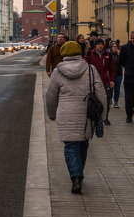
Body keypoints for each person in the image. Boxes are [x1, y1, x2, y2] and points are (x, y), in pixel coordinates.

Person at [45, 41, 108, 195]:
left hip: (66, 114)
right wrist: (104, 115)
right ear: (80, 53)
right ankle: (79, 174)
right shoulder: (90, 69)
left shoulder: (58, 72)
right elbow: (101, 94)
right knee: (83, 144)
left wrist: (51, 113)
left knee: (71, 146)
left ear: (64, 54)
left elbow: (51, 96)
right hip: (87, 114)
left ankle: (76, 178)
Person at [85, 38, 114, 125]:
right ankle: (95, 116)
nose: (100, 46)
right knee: (94, 99)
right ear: (95, 45)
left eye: (102, 44)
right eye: (98, 44)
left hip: (105, 81)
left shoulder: (108, 55)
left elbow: (112, 68)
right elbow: (85, 67)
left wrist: (112, 80)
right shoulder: (90, 54)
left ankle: (105, 117)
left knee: (106, 99)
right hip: (93, 81)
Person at [109, 41, 123, 109]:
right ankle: (110, 99)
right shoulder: (109, 54)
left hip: (118, 74)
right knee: (110, 89)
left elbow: (123, 63)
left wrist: (120, 55)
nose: (115, 48)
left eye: (116, 46)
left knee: (117, 89)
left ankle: (116, 101)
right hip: (110, 74)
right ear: (111, 47)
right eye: (113, 46)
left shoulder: (119, 54)